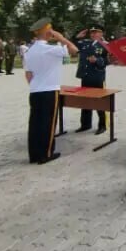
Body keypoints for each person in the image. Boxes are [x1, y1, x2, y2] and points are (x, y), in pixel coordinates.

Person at [24, 18, 78, 165]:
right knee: (48, 123)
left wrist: (36, 84)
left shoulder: (30, 50)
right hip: (49, 90)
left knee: (35, 123)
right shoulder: (51, 49)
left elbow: (28, 74)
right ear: (49, 32)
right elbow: (74, 50)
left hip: (35, 90)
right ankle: (46, 154)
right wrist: (61, 38)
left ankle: (34, 154)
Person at [74, 25, 110, 134]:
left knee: (100, 102)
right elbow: (72, 46)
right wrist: (76, 37)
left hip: (97, 77)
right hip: (85, 76)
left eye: (96, 32)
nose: (93, 34)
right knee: (85, 101)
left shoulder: (106, 46)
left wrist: (97, 60)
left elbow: (108, 61)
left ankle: (102, 125)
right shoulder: (85, 43)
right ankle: (85, 124)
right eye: (92, 32)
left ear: (102, 34)